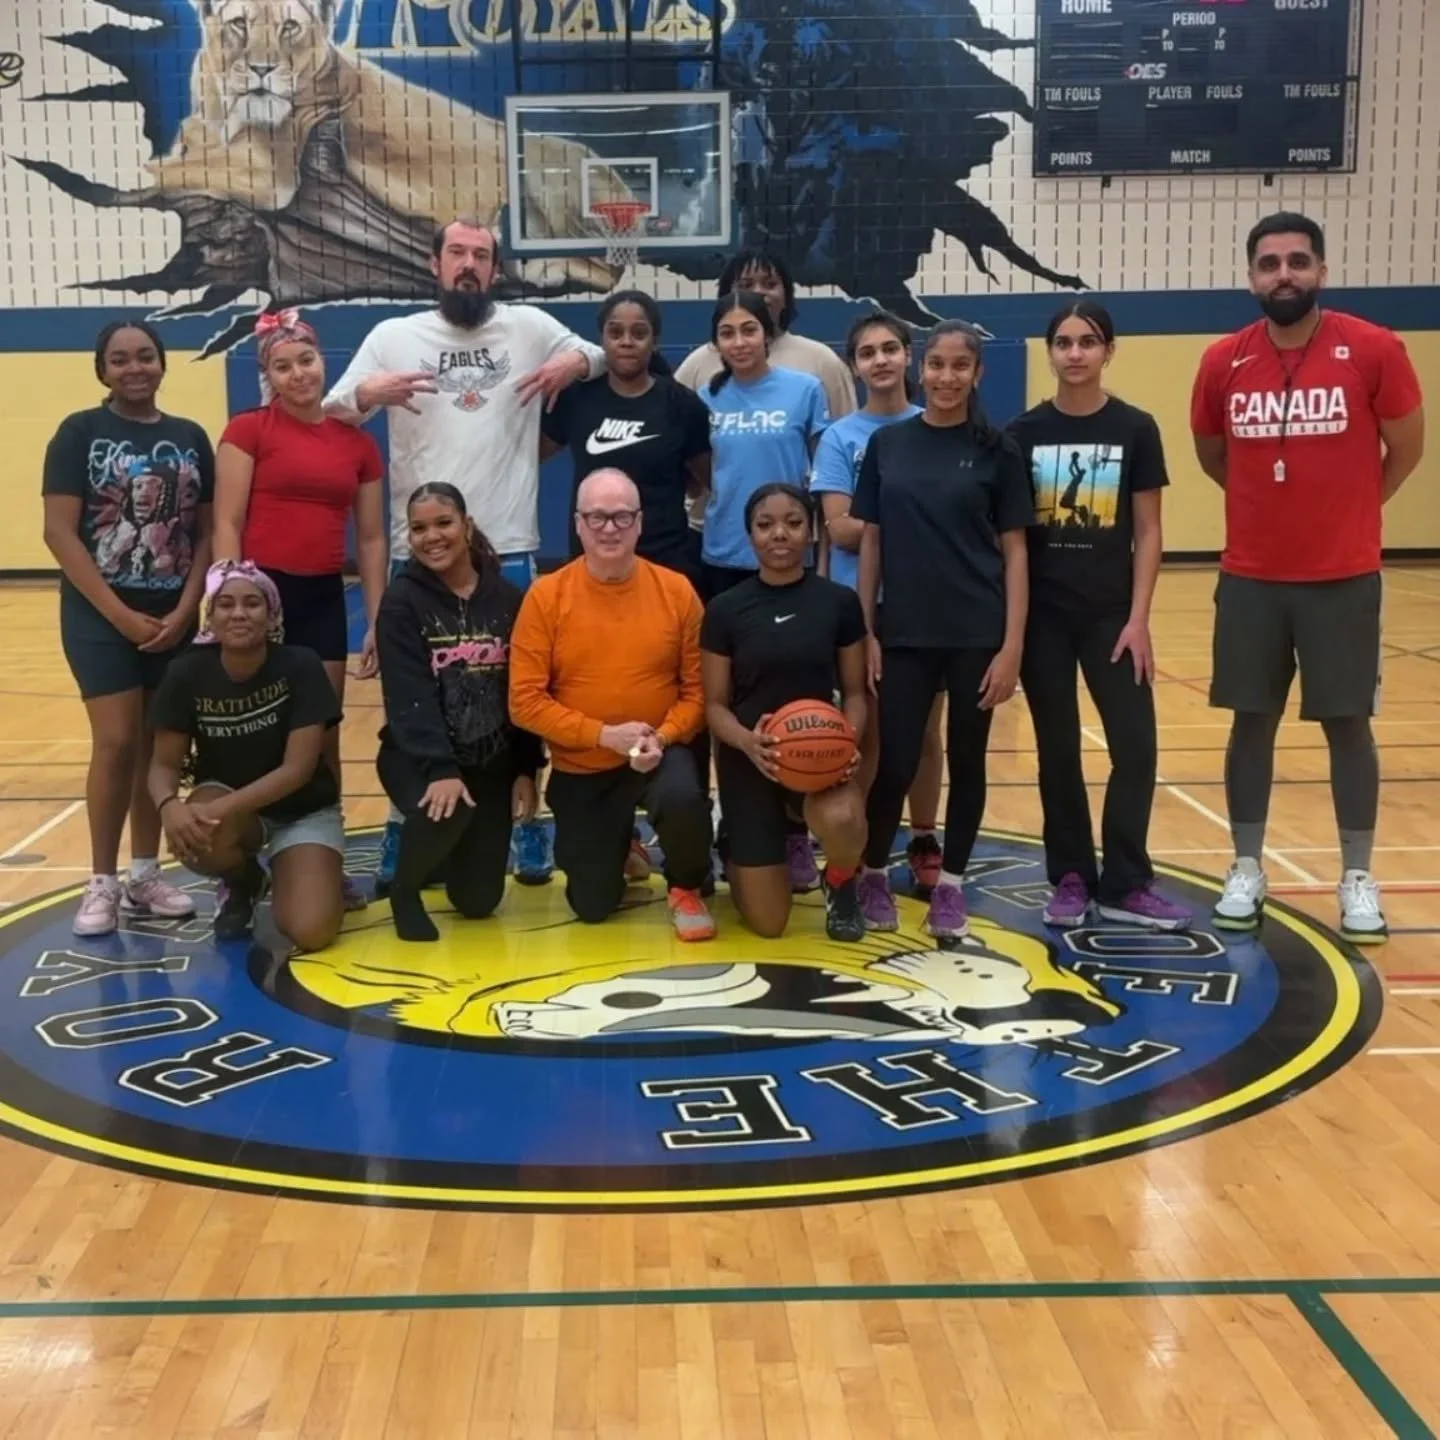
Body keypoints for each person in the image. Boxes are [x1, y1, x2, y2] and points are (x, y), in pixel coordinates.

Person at [324, 216, 605, 890]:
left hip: (508, 549)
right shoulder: (394, 337)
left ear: (496, 270)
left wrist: (574, 361)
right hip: (417, 555)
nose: (469, 266)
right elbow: (335, 407)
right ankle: (403, 824)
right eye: (458, 254)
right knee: (413, 702)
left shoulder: (530, 324)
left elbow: (595, 353)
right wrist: (370, 393)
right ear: (434, 264)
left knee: (522, 698)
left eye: (481, 255)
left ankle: (526, 824)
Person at [1191, 211, 1425, 943]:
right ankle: (1245, 864)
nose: (1283, 274)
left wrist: (1353, 509)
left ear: (1321, 270)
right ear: (1251, 276)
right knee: (1249, 721)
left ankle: (1356, 874)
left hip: (1343, 577)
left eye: (1297, 261)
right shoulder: (1223, 360)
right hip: (1253, 577)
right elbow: (1212, 456)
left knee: (1348, 724)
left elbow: (1406, 451)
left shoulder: (1374, 349)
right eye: (1269, 263)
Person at [1009, 301, 1191, 931]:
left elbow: (1149, 529)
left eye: (1089, 341)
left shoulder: (1135, 428)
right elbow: (1012, 541)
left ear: (1108, 350)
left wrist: (1139, 618)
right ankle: (1070, 876)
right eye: (1064, 342)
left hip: (1113, 618)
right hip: (1045, 623)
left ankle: (1128, 881)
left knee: (1135, 749)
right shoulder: (1023, 433)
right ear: (1050, 351)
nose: (1076, 353)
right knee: (1057, 752)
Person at [853, 320, 1032, 939]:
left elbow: (1015, 553)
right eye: (936, 365)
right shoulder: (888, 446)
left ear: (978, 373)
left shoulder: (998, 451)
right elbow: (870, 540)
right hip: (903, 631)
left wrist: (1012, 646)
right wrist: (868, 630)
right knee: (896, 761)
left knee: (968, 760)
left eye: (960, 366)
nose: (946, 377)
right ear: (918, 370)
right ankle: (874, 871)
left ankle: (951, 886)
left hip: (976, 632)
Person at [42, 320, 214, 937]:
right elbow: (59, 532)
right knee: (116, 742)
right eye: (120, 359)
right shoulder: (79, 432)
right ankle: (102, 881)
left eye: (146, 356)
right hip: (99, 617)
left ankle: (145, 874)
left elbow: (206, 534)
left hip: (172, 617)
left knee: (156, 748)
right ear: (102, 370)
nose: (135, 367)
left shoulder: (190, 437)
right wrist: (119, 614)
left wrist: (184, 610)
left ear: (162, 364)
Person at [214, 309, 387, 911]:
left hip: (319, 600)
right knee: (253, 733)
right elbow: (227, 520)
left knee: (323, 735)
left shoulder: (357, 444)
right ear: (269, 375)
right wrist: (228, 598)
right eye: (282, 367)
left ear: (323, 362)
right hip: (260, 596)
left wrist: (376, 619)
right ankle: (239, 868)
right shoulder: (247, 431)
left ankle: (323, 854)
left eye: (305, 361)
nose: (297, 375)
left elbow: (370, 539)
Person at [508, 469, 715, 939]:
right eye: (597, 517)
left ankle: (685, 887)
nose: (609, 528)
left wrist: (659, 737)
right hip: (584, 764)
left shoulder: (677, 591)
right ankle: (622, 845)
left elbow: (698, 693)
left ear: (639, 523)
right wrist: (604, 736)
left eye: (622, 516)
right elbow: (524, 701)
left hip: (659, 753)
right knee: (592, 906)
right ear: (578, 523)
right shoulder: (545, 597)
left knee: (683, 796)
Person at [697, 289, 831, 894]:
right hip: (725, 556)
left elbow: (820, 474)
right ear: (716, 342)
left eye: (749, 329)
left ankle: (797, 828)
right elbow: (700, 471)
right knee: (735, 699)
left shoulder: (804, 390)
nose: (739, 341)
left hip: (789, 558)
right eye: (727, 332)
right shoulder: (706, 397)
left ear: (767, 332)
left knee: (797, 692)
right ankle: (738, 824)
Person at [811, 311, 945, 896]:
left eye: (892, 348)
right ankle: (861, 848)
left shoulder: (940, 425)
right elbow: (839, 529)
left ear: (909, 356)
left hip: (926, 602)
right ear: (855, 365)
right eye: (868, 352)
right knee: (865, 732)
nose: (882, 360)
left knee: (923, 732)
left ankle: (922, 838)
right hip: (857, 607)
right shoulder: (841, 438)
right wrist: (913, 516)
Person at [148, 563, 345, 952]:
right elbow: (162, 766)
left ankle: (311, 873)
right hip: (231, 806)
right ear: (211, 616)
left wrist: (219, 809)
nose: (238, 613)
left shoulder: (301, 664)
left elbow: (297, 770)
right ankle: (243, 880)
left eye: (252, 603)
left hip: (302, 812)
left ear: (271, 614)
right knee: (197, 834)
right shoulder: (185, 673)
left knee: (311, 931)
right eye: (226, 604)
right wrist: (169, 805)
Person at [701, 484, 869, 941]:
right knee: (770, 924)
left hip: (818, 759)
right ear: (750, 535)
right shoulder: (725, 610)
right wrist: (747, 742)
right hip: (750, 759)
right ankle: (736, 840)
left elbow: (855, 693)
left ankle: (839, 881)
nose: (780, 534)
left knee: (844, 819)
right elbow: (714, 706)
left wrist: (846, 742)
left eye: (794, 523)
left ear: (812, 532)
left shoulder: (838, 602)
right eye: (765, 524)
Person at [375, 484, 542, 942]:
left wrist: (525, 769)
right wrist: (441, 768)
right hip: (418, 757)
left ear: (467, 526)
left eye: (443, 523)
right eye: (419, 528)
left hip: (489, 762)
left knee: (478, 901)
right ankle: (405, 889)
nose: (433, 537)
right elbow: (408, 695)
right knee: (447, 809)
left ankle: (445, 854)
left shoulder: (508, 599)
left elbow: (523, 691)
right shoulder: (401, 601)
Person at [676, 251, 856, 558]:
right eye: (746, 284)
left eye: (770, 283)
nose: (758, 291)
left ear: (786, 294)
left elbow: (840, 459)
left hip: (794, 543)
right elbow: (683, 453)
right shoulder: (698, 373)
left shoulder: (819, 364)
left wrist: (831, 542)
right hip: (720, 540)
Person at [540, 289, 711, 589]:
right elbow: (532, 454)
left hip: (664, 564)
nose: (626, 341)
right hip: (592, 563)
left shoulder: (683, 405)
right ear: (602, 339)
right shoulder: (575, 399)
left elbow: (702, 483)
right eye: (615, 332)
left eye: (639, 333)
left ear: (654, 340)